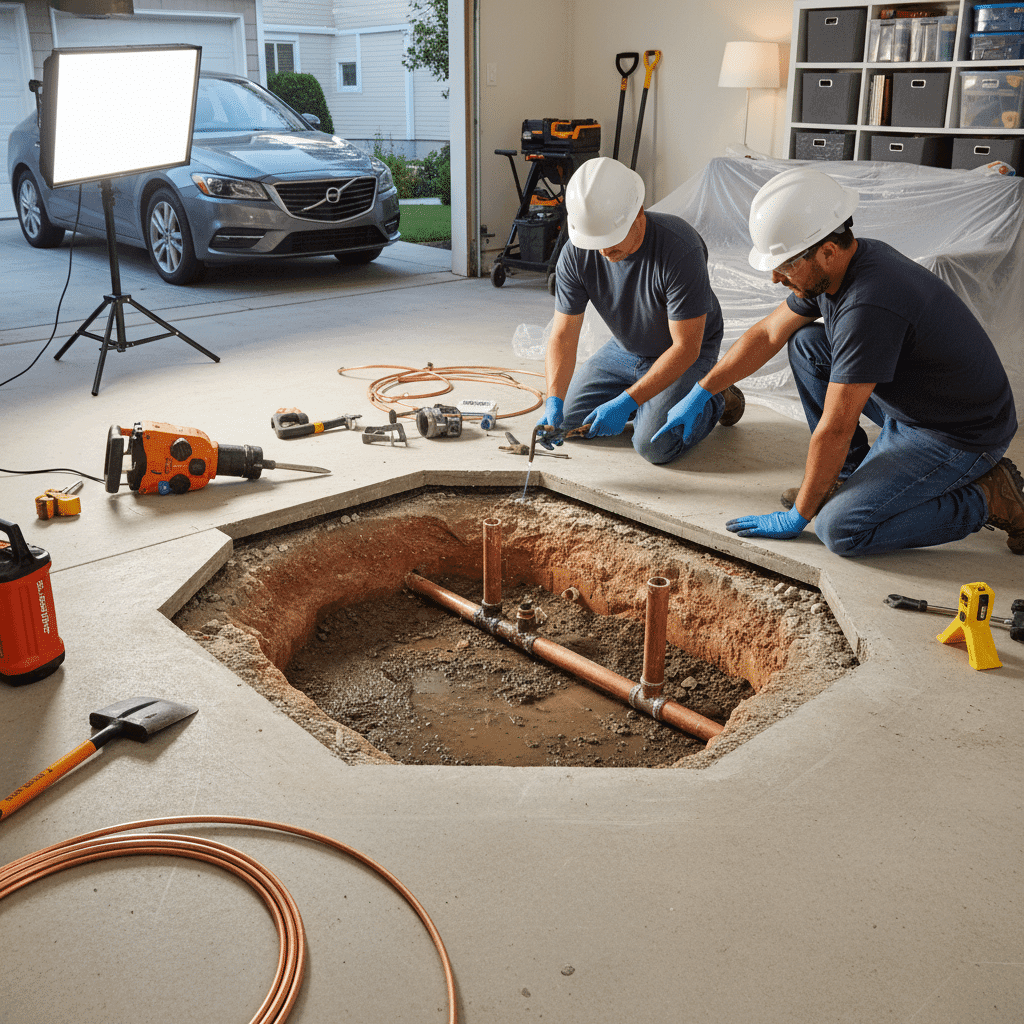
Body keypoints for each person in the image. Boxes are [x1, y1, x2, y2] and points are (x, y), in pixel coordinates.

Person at [653, 166, 1022, 557]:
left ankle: (989, 497)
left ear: (828, 250)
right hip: (920, 401)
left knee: (841, 529)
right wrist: (702, 390)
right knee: (808, 344)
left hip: (957, 433)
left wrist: (800, 514)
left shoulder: (869, 303)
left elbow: (836, 427)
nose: (775, 278)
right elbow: (767, 334)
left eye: (786, 265)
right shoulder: (842, 265)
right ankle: (845, 476)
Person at [535, 157, 744, 463]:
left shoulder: (679, 248)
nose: (604, 251)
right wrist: (553, 399)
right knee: (567, 422)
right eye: (595, 241)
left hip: (685, 351)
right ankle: (652, 400)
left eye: (610, 238)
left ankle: (715, 397)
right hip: (625, 349)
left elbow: (686, 347)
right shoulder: (576, 254)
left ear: (638, 216)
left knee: (652, 445)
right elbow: (564, 335)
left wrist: (626, 401)